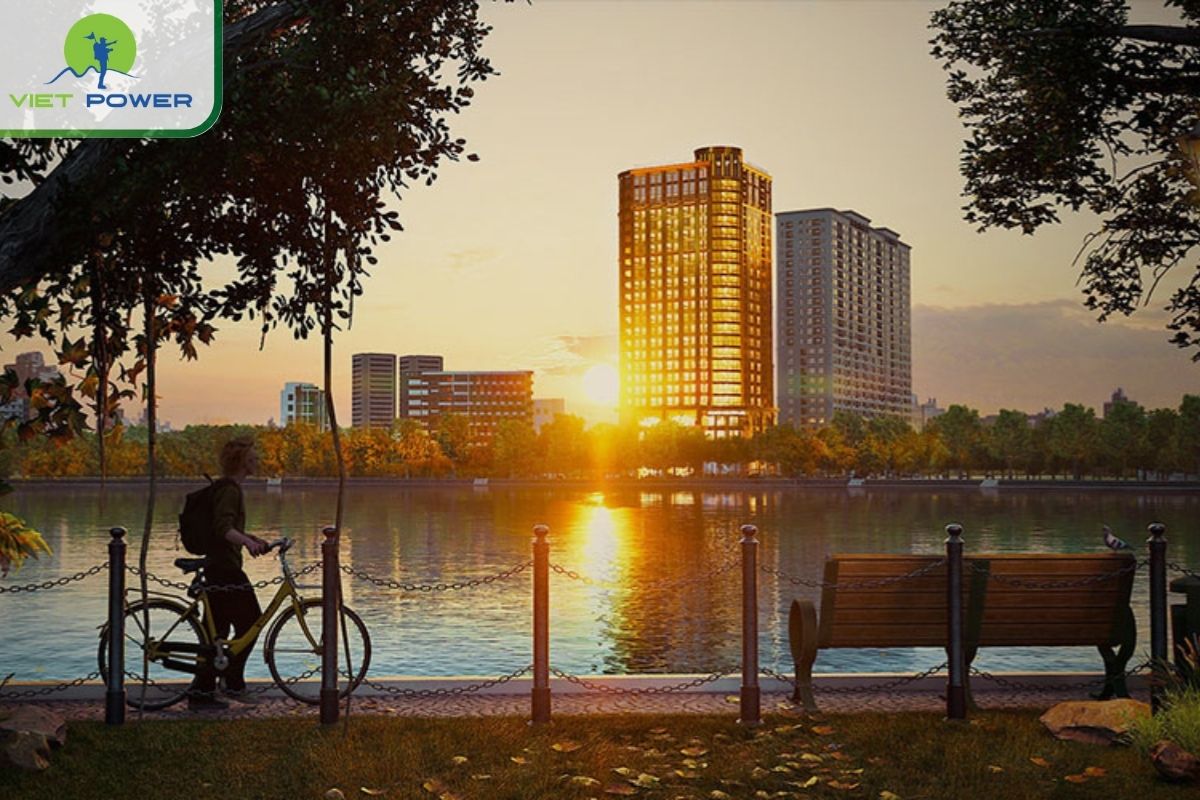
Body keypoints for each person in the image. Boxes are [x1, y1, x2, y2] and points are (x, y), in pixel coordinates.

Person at [188, 437, 270, 709]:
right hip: (225, 569)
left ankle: (202, 694)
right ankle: (232, 682)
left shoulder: (227, 488)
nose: (257, 461)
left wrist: (250, 538)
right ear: (243, 463)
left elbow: (225, 528)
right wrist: (246, 542)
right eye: (253, 458)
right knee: (252, 622)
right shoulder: (231, 491)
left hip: (218, 566)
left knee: (216, 634)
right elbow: (222, 528)